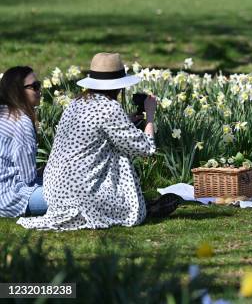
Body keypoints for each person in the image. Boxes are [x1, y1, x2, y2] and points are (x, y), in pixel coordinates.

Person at [17, 53, 180, 231]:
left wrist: (127, 122)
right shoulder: (110, 108)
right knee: (134, 207)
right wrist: (150, 116)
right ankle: (143, 208)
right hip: (80, 193)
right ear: (119, 86)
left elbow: (96, 131)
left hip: (54, 190)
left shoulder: (75, 103)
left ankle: (141, 205)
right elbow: (145, 149)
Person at [0, 66, 47, 217]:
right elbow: (28, 180)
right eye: (35, 86)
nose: (39, 90)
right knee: (70, 195)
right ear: (18, 91)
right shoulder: (21, 122)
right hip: (11, 197)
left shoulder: (4, 112)